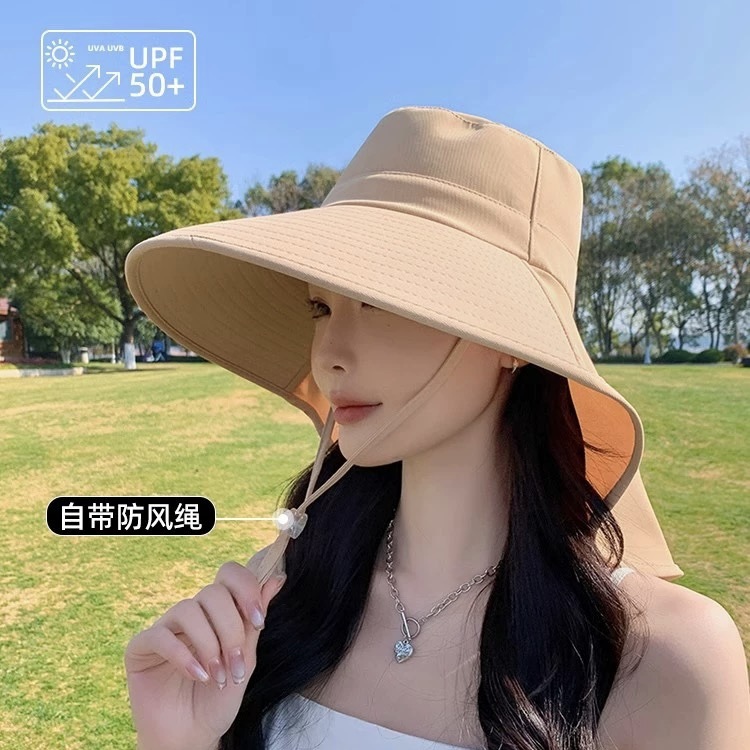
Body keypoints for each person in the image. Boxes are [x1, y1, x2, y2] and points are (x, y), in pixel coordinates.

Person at [122, 106, 749, 750]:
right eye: (320, 306)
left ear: (511, 339)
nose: (329, 354)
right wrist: (179, 740)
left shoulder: (665, 660)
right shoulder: (281, 584)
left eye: (378, 300)